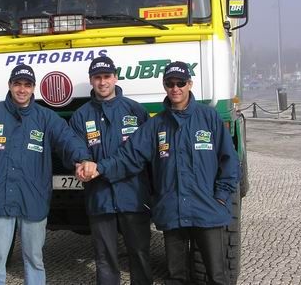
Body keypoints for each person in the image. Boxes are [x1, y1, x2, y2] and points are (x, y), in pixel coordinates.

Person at [77, 61, 240, 285]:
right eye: (170, 83)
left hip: (207, 209)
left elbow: (229, 161)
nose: (175, 88)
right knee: (176, 278)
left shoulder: (209, 118)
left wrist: (221, 197)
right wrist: (100, 168)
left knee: (217, 276)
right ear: (165, 86)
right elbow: (129, 157)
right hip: (173, 211)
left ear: (189, 84)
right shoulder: (156, 125)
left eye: (180, 83)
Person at [0, 64, 91, 285]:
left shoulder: (46, 118)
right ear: (10, 85)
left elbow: (67, 139)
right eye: (17, 84)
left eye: (27, 85)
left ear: (33, 88)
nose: (22, 90)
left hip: (34, 200)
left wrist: (83, 158)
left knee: (34, 259)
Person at [69, 56, 153, 285]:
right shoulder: (81, 116)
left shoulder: (135, 111)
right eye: (97, 78)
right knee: (104, 258)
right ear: (91, 80)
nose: (103, 82)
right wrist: (81, 163)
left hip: (133, 196)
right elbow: (76, 148)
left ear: (115, 78)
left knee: (140, 253)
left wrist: (101, 168)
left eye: (107, 77)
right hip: (100, 198)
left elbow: (141, 155)